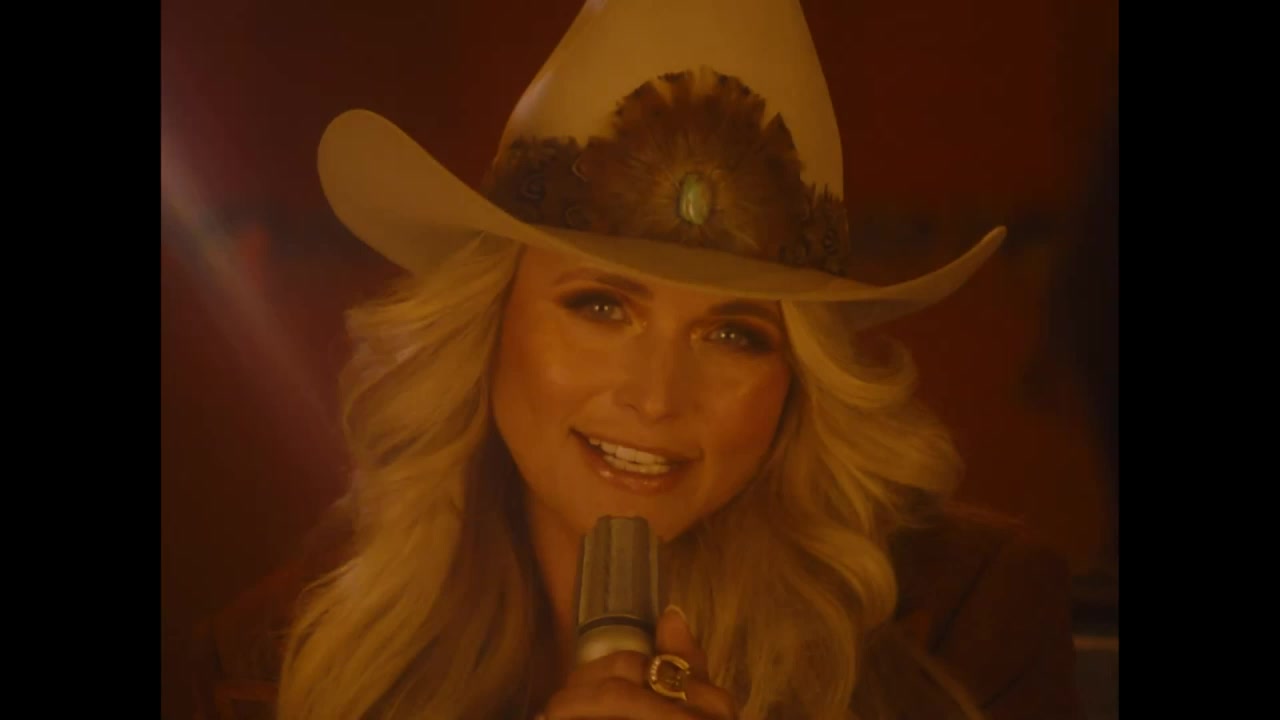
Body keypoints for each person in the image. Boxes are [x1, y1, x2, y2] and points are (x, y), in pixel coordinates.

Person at [276, 1, 1080, 718]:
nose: (657, 397)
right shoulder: (307, 640)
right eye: (601, 306)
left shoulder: (969, 621)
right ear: (489, 320)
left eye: (734, 334)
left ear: (798, 380)